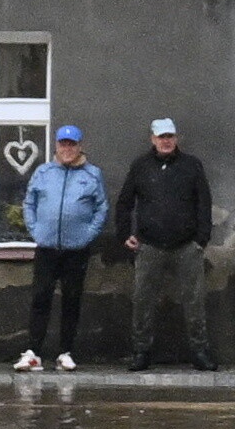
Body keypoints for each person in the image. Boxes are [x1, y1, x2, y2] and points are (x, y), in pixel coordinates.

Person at [115, 117, 214, 371]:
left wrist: (201, 239)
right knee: (142, 301)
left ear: (176, 138)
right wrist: (125, 233)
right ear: (153, 139)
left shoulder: (192, 165)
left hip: (186, 246)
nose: (166, 141)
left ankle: (200, 352)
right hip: (149, 246)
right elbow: (125, 202)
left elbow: (204, 203)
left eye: (170, 136)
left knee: (194, 301)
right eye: (161, 137)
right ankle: (141, 353)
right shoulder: (141, 166)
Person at [17, 125, 109, 372]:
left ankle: (65, 352)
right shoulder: (43, 172)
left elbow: (101, 208)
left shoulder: (92, 174)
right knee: (40, 298)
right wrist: (36, 230)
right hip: (47, 247)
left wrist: (88, 235)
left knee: (71, 300)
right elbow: (29, 202)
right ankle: (33, 352)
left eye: (72, 144)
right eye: (63, 144)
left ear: (80, 146)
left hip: (76, 249)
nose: (67, 149)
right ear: (56, 146)